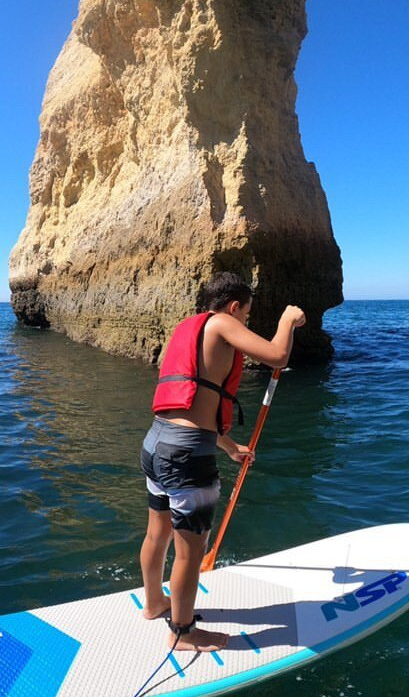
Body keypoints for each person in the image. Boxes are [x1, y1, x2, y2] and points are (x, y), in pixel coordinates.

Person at [139, 271, 306, 652]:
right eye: (246, 315)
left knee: (157, 534)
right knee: (190, 551)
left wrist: (228, 445)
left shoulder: (188, 330)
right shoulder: (223, 323)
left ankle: (152, 604)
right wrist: (288, 320)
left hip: (156, 443)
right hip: (186, 456)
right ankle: (183, 632)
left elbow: (190, 403)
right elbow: (278, 355)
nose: (244, 323)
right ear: (234, 307)